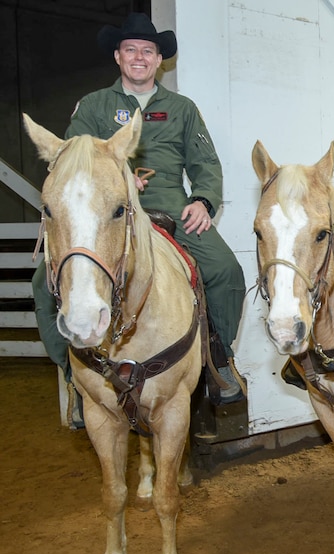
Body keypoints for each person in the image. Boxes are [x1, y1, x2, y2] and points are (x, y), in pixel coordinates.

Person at [31, 12, 247, 402]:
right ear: (117, 56)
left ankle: (219, 357)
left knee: (225, 270)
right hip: (106, 212)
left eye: (147, 51)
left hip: (170, 205)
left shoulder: (182, 108)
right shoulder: (94, 106)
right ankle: (72, 374)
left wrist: (203, 200)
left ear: (159, 60)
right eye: (130, 50)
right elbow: (70, 161)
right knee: (42, 285)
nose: (139, 58)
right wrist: (117, 179)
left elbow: (206, 164)